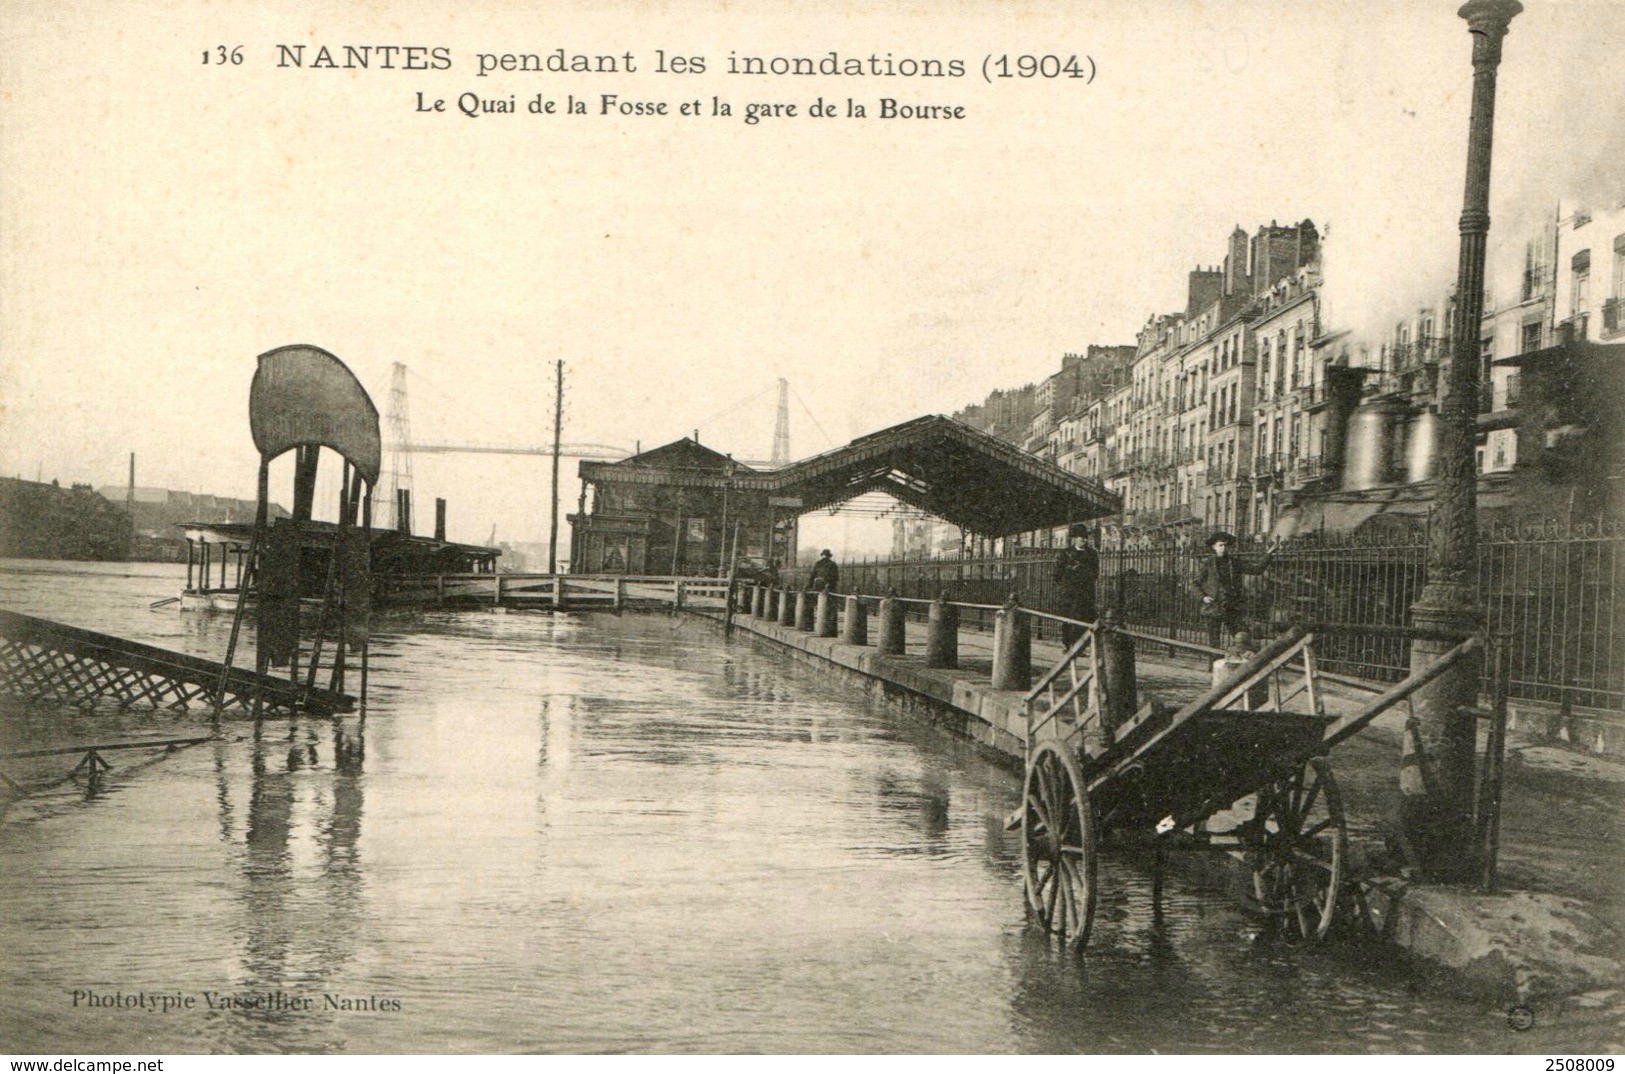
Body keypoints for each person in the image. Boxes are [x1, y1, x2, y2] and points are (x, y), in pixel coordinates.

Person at [1193, 531, 1274, 649]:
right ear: (1214, 547)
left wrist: (1269, 554)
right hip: (1213, 607)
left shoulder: (1235, 562)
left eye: (1226, 545)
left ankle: (1243, 664)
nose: (1224, 548)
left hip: (1232, 607)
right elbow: (1195, 583)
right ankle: (1214, 667)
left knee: (1241, 638)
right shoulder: (1208, 564)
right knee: (1214, 643)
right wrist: (1203, 597)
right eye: (1220, 545)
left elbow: (1256, 569)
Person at [1053, 525, 1099, 648]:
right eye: (1080, 537)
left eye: (1085, 537)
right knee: (1068, 618)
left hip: (1086, 592)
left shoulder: (1092, 554)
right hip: (1070, 592)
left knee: (1084, 618)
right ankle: (1067, 644)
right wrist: (1067, 584)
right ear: (1074, 538)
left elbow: (1095, 573)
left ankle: (1081, 646)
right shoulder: (1066, 553)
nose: (1083, 540)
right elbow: (1057, 574)